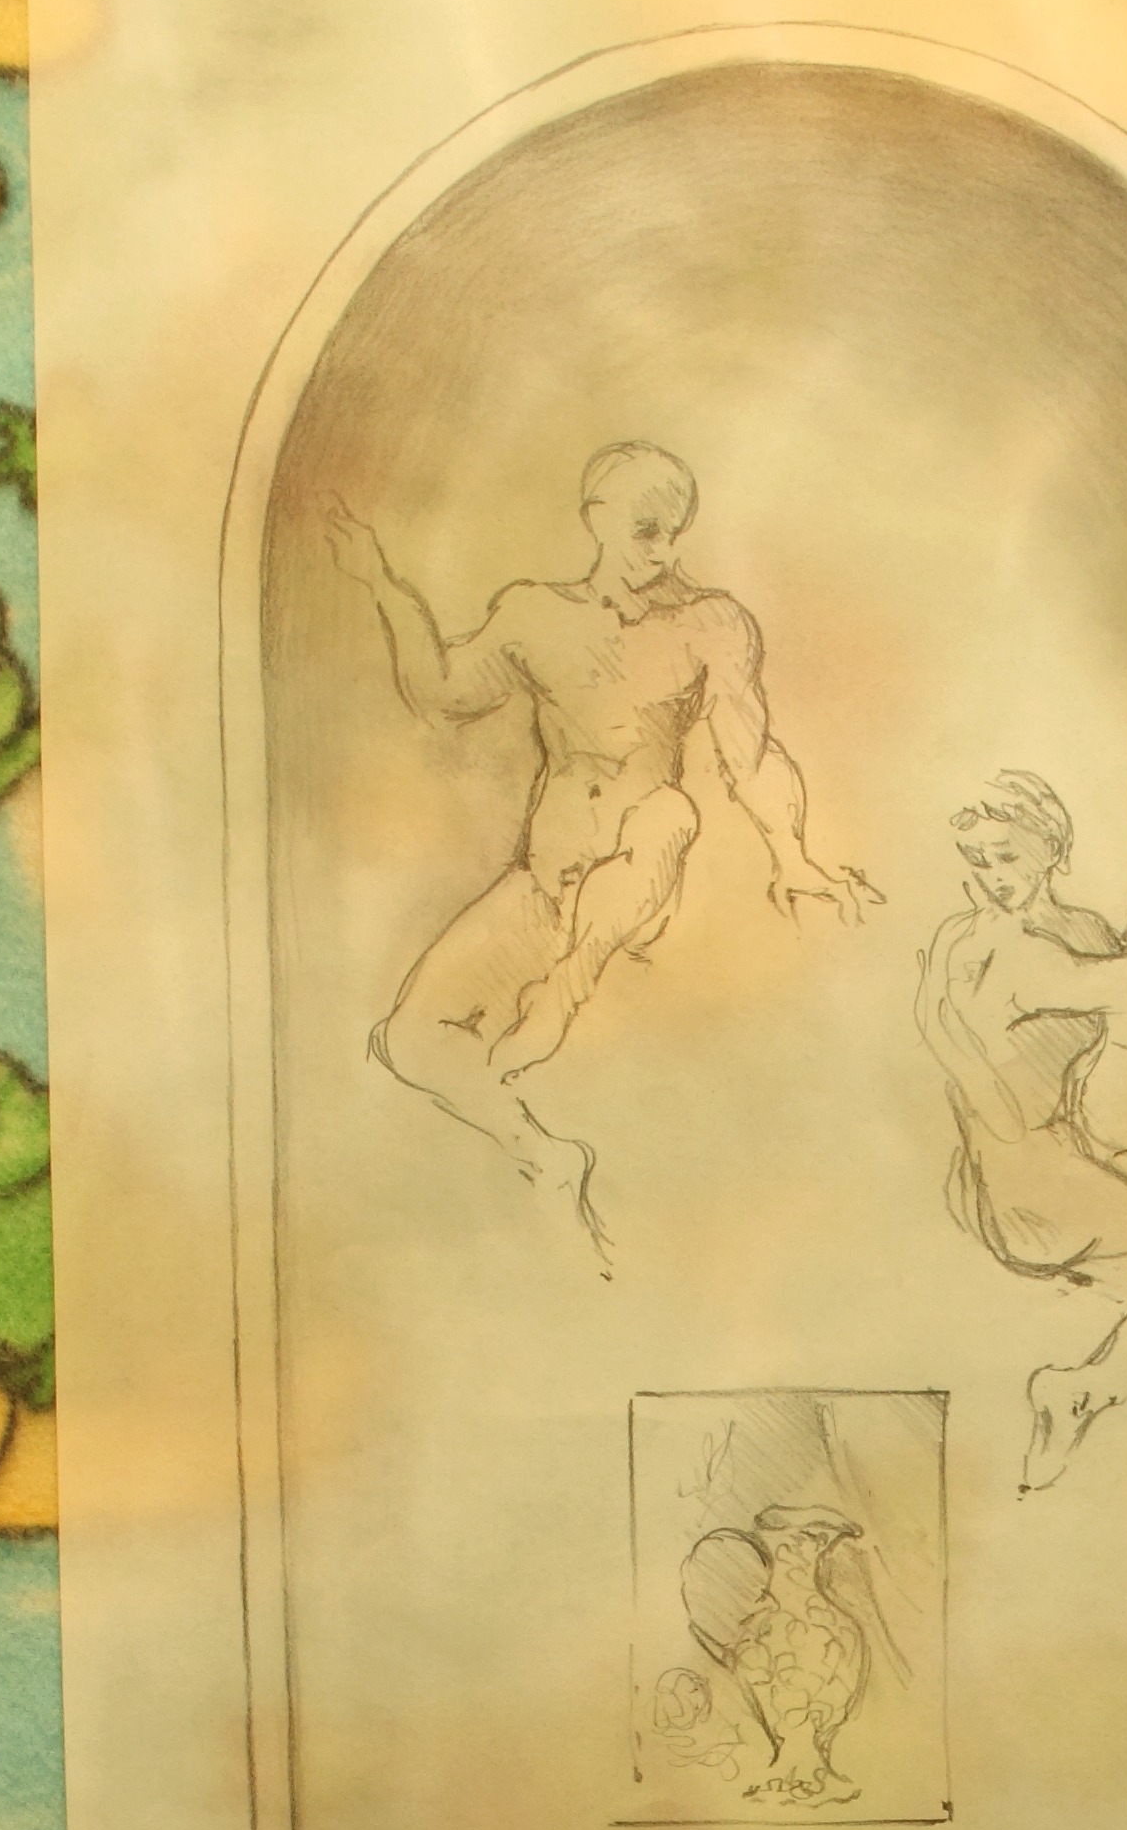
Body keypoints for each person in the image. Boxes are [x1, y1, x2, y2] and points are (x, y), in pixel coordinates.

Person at [331, 442, 878, 1270]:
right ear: (597, 518)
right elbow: (440, 694)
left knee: (669, 812)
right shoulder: (532, 614)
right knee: (409, 1039)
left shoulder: (709, 624)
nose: (665, 550)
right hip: (545, 880)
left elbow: (751, 755)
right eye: (646, 529)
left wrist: (793, 856)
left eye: (676, 531)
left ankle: (565, 991)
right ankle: (547, 1156)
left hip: (640, 864)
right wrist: (383, 586)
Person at [914, 770, 1127, 1488]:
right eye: (978, 859)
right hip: (1040, 1200)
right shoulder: (1025, 958)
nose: (992, 876)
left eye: (1007, 855)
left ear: (1051, 848)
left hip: (1057, 1168)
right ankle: (1077, 1388)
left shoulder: (1038, 933)